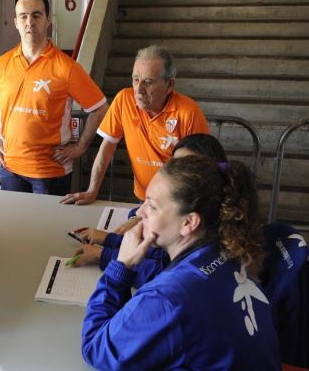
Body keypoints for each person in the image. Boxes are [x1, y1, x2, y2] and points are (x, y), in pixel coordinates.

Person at [82, 156, 280, 369]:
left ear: (188, 222)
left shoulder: (168, 299)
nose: (139, 213)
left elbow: (97, 349)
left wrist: (121, 268)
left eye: (152, 206)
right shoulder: (230, 253)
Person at [0, 0, 108, 196]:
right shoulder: (1, 65)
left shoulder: (67, 68)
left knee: (46, 228)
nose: (30, 22)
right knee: (9, 227)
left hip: (50, 172)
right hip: (9, 167)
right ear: (16, 22)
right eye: (23, 16)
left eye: (36, 15)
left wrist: (80, 147)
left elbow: (100, 108)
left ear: (48, 20)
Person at [70, 133, 226, 288]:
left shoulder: (177, 285)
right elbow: (160, 256)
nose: (138, 213)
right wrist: (108, 239)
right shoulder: (203, 230)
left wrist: (108, 258)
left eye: (186, 167)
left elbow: (156, 274)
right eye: (175, 164)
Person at [60, 45, 209, 205]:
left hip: (176, 201)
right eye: (135, 80)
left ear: (170, 84)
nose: (139, 90)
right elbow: (106, 149)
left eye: (148, 82)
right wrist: (92, 190)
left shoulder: (188, 112)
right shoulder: (124, 100)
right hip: (143, 197)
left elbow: (197, 168)